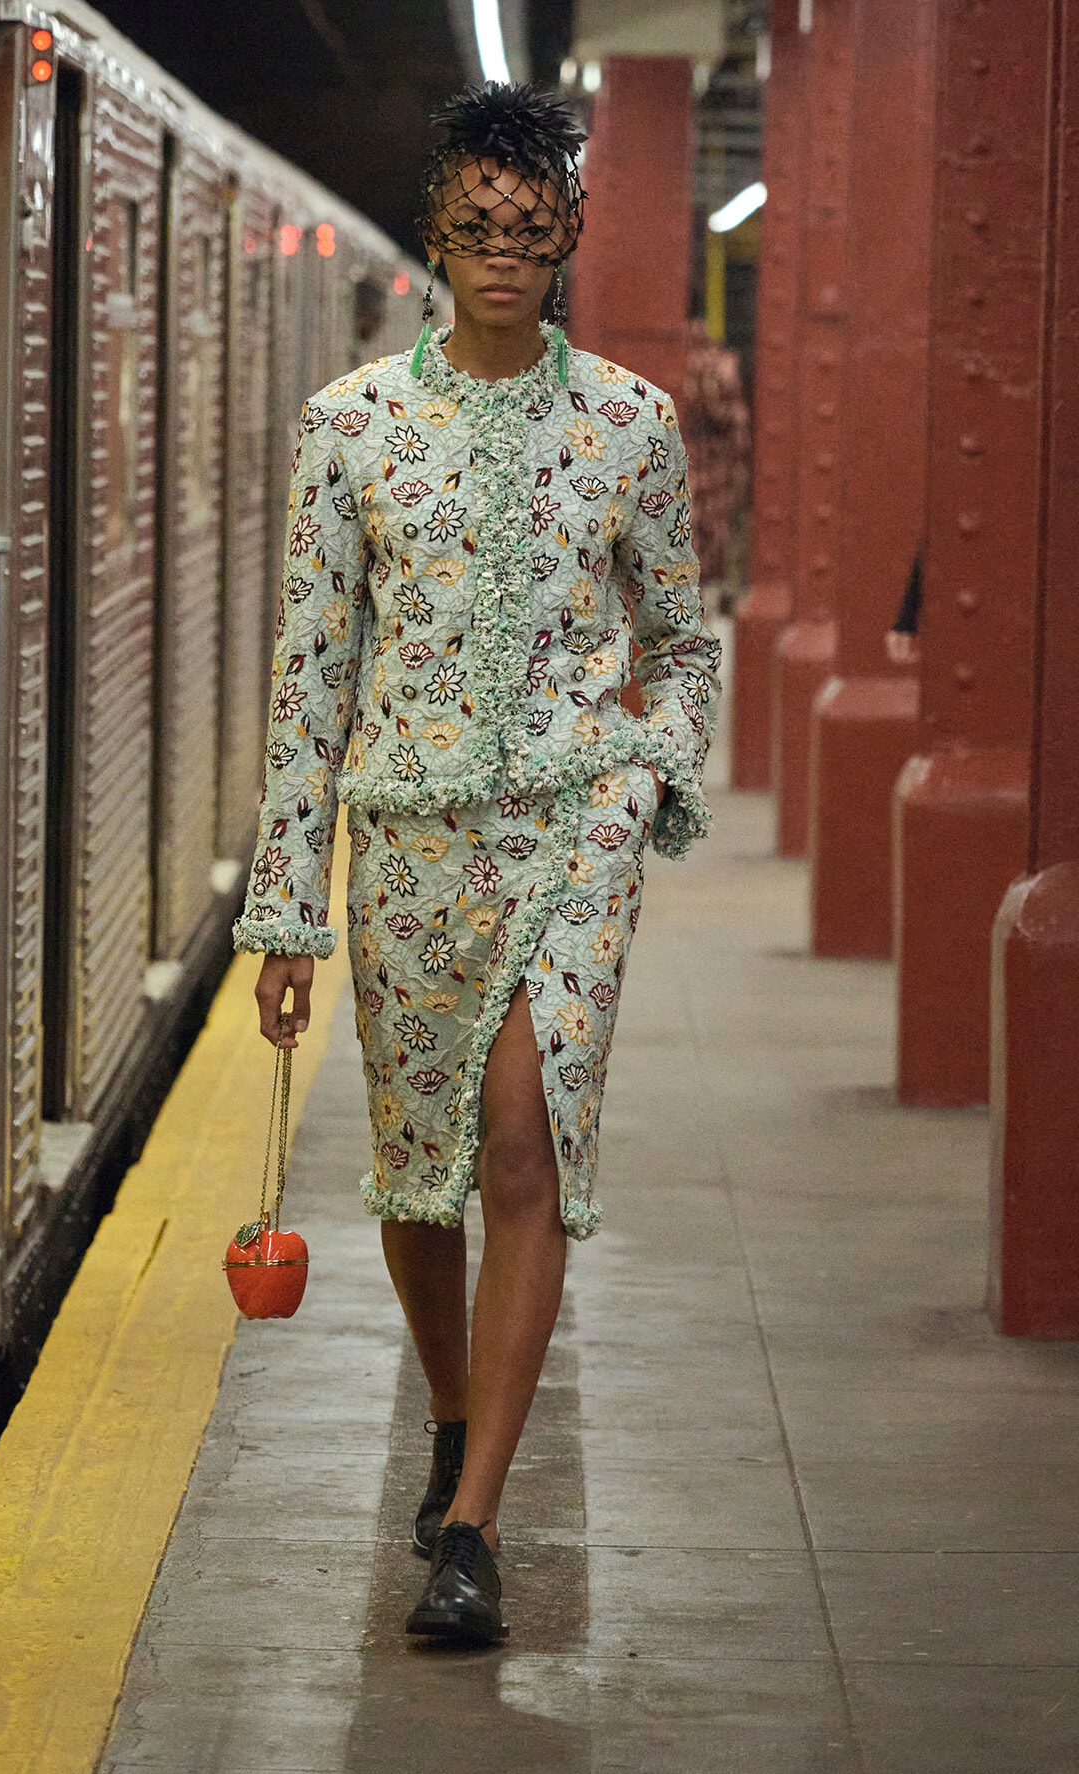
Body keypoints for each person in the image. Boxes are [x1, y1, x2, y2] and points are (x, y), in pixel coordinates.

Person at [234, 82, 721, 1645]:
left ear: (567, 236)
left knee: (523, 1140)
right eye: (476, 227)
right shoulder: (352, 430)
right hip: (410, 848)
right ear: (442, 236)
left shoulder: (631, 428)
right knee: (419, 1168)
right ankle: (454, 1408)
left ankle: (473, 1519)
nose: (502, 253)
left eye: (530, 227)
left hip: (571, 840)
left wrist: (650, 767)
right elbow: (313, 677)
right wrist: (288, 904)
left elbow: (683, 641)